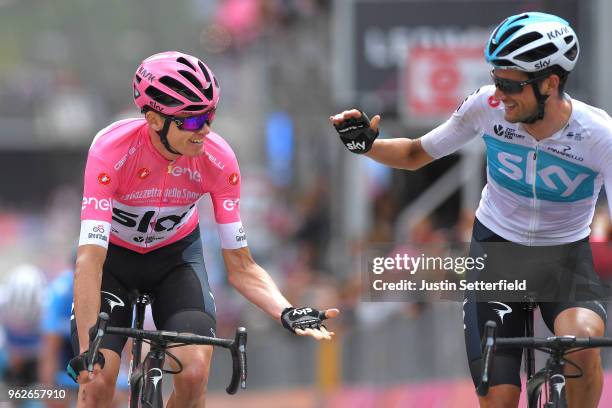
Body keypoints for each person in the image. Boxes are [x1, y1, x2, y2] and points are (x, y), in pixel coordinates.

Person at [331, 12, 611, 408]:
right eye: (497, 80)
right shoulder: (486, 106)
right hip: (496, 252)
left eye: (512, 84)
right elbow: (414, 153)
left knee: (582, 345)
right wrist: (368, 145)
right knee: (499, 399)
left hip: (564, 256)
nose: (501, 93)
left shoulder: (599, 136)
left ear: (550, 83)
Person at [69, 51, 339, 408]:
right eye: (193, 122)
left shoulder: (218, 158)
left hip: (174, 262)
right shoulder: (111, 151)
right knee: (98, 381)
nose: (206, 130)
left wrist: (285, 311)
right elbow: (90, 258)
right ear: (153, 119)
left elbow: (241, 266)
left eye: (210, 116)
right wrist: (89, 353)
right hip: (113, 265)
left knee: (194, 372)